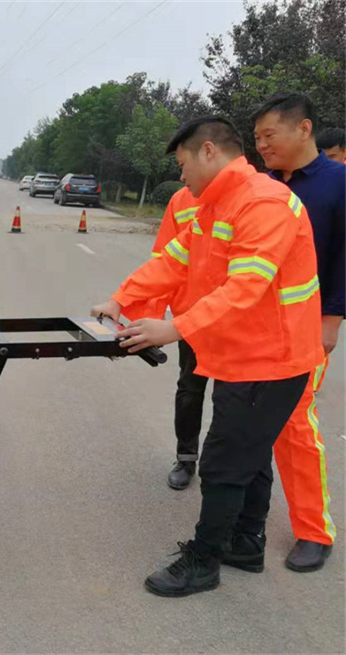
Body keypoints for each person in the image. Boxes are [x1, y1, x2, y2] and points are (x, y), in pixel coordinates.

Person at [92, 116, 323, 597]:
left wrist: (174, 328)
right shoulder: (216, 206)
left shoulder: (262, 203)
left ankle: (204, 560)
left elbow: (245, 288)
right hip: (245, 357)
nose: (180, 176)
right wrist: (121, 300)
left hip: (271, 360)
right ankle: (246, 543)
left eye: (182, 165)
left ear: (210, 152)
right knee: (250, 455)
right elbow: (173, 261)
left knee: (223, 462)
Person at [252, 93, 344, 571]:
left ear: (303, 129)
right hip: (252, 325)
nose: (262, 146)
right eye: (256, 139)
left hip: (307, 326)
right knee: (245, 419)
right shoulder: (261, 185)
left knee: (293, 423)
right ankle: (243, 520)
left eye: (269, 135)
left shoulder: (339, 182)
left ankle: (313, 530)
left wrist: (332, 319)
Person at [122, 187, 207, 490]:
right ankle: (186, 459)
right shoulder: (181, 200)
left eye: (184, 165)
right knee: (190, 391)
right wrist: (154, 322)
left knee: (234, 400)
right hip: (190, 320)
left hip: (234, 322)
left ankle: (230, 470)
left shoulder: (250, 196)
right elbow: (164, 262)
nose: (182, 175)